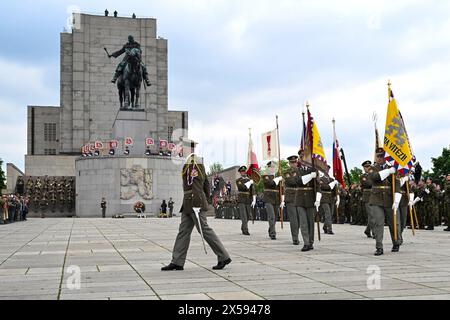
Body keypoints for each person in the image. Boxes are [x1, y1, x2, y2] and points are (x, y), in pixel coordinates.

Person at [161, 154, 231, 271]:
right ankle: (177, 261)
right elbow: (206, 185)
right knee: (183, 232)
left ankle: (223, 256)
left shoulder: (194, 166)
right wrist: (206, 199)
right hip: (188, 203)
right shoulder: (192, 166)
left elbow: (198, 186)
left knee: (204, 229)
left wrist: (200, 203)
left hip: (195, 202)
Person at [368, 148, 402, 256]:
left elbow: (396, 185)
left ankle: (396, 242)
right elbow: (375, 177)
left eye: (382, 156)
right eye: (378, 156)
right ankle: (379, 247)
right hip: (376, 199)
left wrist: (396, 200)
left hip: (389, 199)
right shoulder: (372, 168)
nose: (379, 158)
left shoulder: (392, 168)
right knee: (378, 223)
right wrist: (388, 171)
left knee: (394, 222)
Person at [297, 158, 322, 252]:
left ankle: (311, 242)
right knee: (303, 222)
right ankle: (306, 243)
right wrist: (311, 176)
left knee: (311, 222)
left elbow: (318, 185)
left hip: (311, 198)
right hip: (300, 199)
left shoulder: (313, 169)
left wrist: (318, 199)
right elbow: (298, 181)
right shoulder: (296, 169)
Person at [281, 155, 301, 245]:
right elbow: (292, 182)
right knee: (293, 219)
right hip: (291, 197)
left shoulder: (301, 171)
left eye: (295, 162)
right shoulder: (286, 172)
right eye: (292, 162)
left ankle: (297, 235)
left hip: (300, 197)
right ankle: (295, 238)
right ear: (289, 163)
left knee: (300, 219)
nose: (294, 164)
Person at [262, 161, 283, 240]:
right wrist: (277, 179)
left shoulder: (278, 176)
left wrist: (282, 200)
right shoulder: (265, 175)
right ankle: (273, 233)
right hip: (268, 198)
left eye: (274, 167)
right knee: (272, 216)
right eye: (271, 167)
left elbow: (281, 188)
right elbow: (270, 184)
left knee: (276, 217)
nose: (272, 168)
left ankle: (271, 229)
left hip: (276, 198)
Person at [235, 166, 256, 236]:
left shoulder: (249, 180)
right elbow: (242, 187)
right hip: (241, 199)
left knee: (248, 216)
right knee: (243, 216)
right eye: (242, 171)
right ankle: (245, 230)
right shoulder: (238, 180)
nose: (243, 172)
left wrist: (254, 199)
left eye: (244, 171)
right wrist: (249, 183)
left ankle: (243, 227)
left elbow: (252, 190)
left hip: (248, 199)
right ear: (240, 173)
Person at [319, 165, 338, 235]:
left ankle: (325, 226)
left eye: (327, 169)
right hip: (324, 198)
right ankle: (329, 229)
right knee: (328, 214)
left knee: (331, 214)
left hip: (331, 198)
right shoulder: (320, 179)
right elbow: (324, 187)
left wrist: (336, 197)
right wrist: (331, 185)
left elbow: (335, 189)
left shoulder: (332, 179)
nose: (326, 170)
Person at [361, 160, 374, 238]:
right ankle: (374, 232)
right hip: (367, 197)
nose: (368, 168)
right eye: (366, 167)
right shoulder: (363, 177)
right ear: (364, 168)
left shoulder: (373, 174)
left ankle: (368, 230)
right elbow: (368, 184)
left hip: (374, 196)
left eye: (369, 166)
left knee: (373, 215)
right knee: (371, 215)